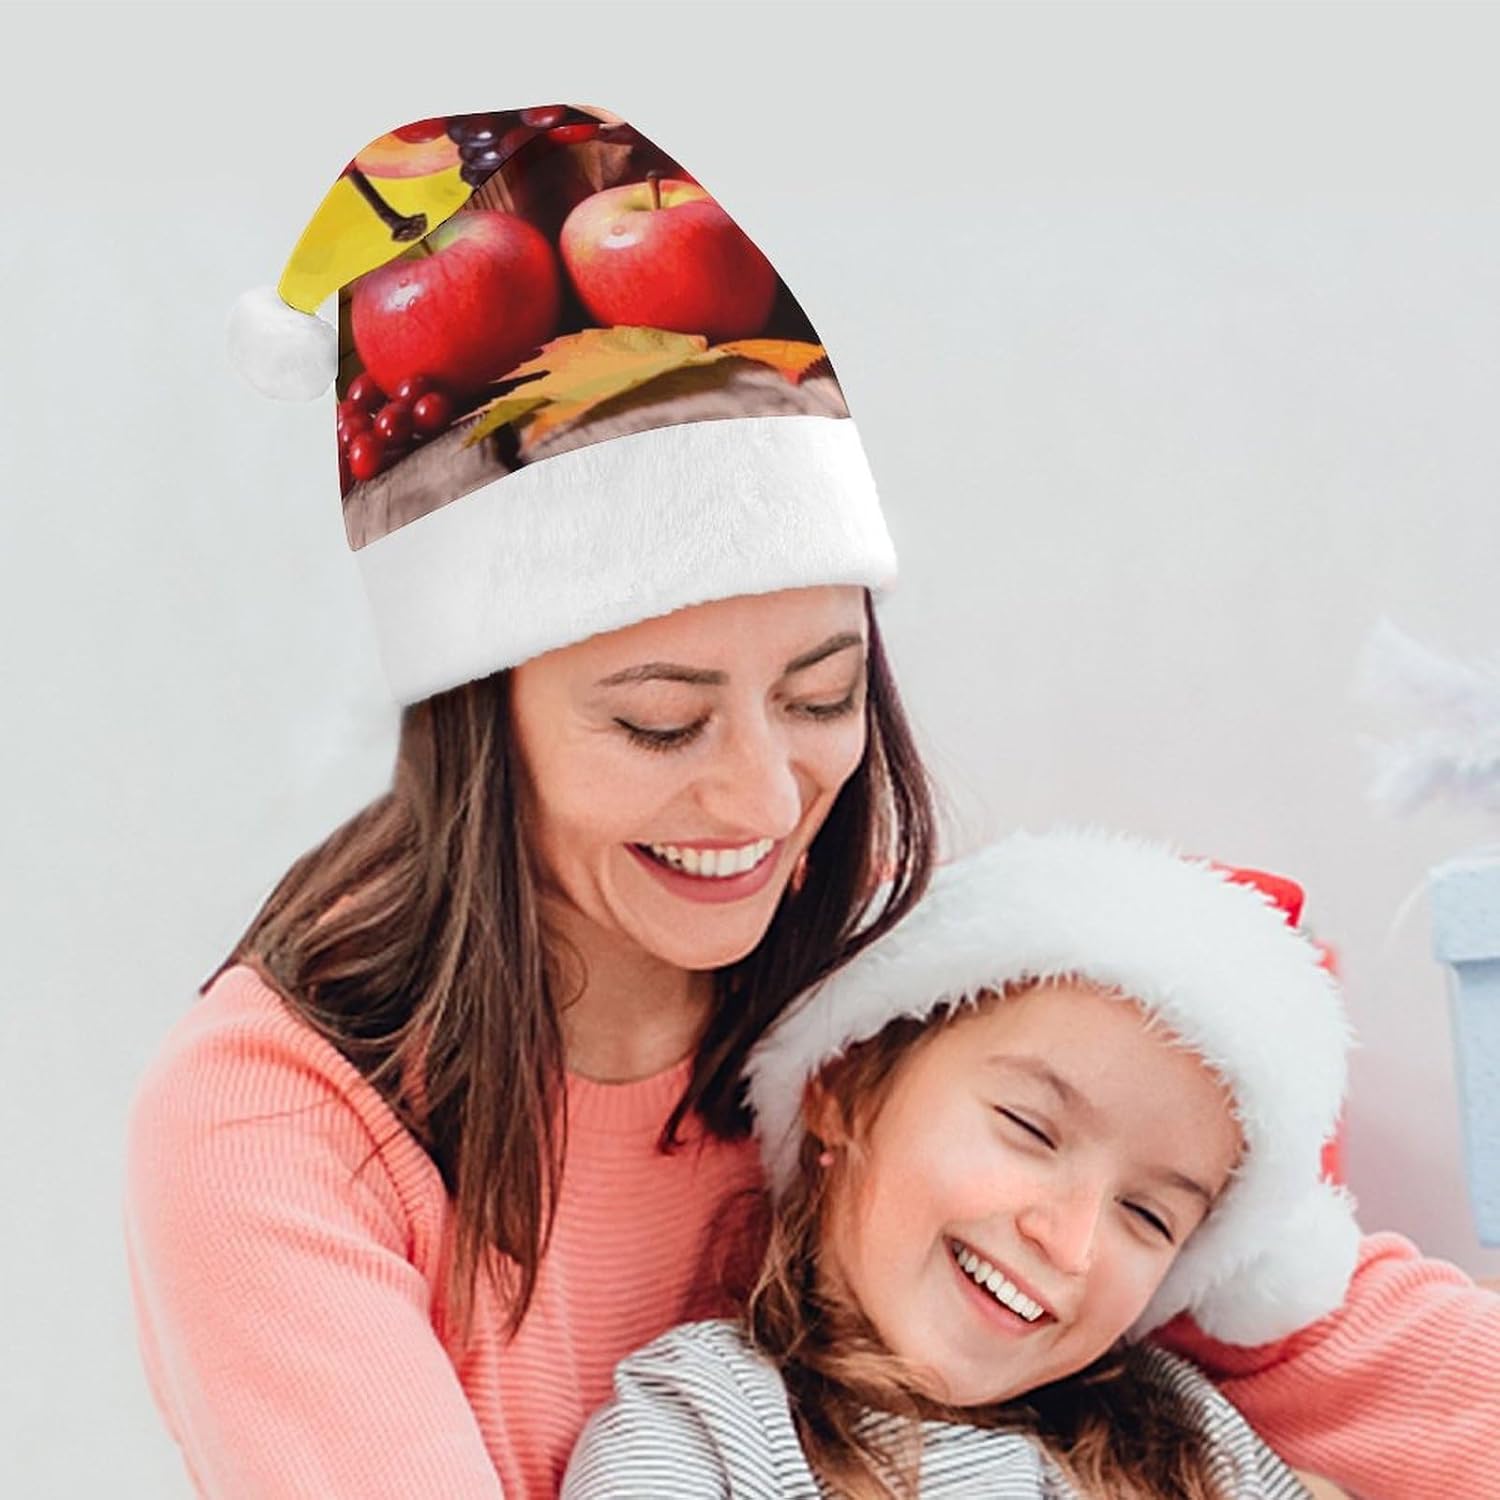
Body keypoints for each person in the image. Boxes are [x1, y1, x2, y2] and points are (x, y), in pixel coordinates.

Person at [124, 103, 1500, 1500]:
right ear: (483, 724)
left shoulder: (874, 983)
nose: (762, 799)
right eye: (661, 720)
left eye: (822, 695)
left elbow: (1311, 1326)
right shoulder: (278, 1126)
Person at [562, 828, 1358, 1498]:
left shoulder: (1185, 1434)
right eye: (1030, 1129)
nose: (1069, 1242)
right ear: (844, 1084)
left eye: (1148, 1216)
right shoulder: (711, 1417)